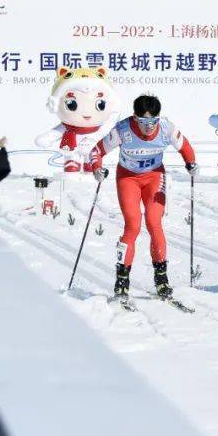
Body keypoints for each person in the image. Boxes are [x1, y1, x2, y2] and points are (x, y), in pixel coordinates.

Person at [91, 95, 198, 299]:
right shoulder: (123, 130)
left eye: (153, 121)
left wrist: (191, 162)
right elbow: (96, 152)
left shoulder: (166, 127)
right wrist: (97, 168)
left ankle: (161, 278)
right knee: (133, 225)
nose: (149, 127)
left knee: (153, 222)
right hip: (128, 178)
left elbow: (185, 146)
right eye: (144, 122)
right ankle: (122, 280)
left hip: (154, 176)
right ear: (135, 118)